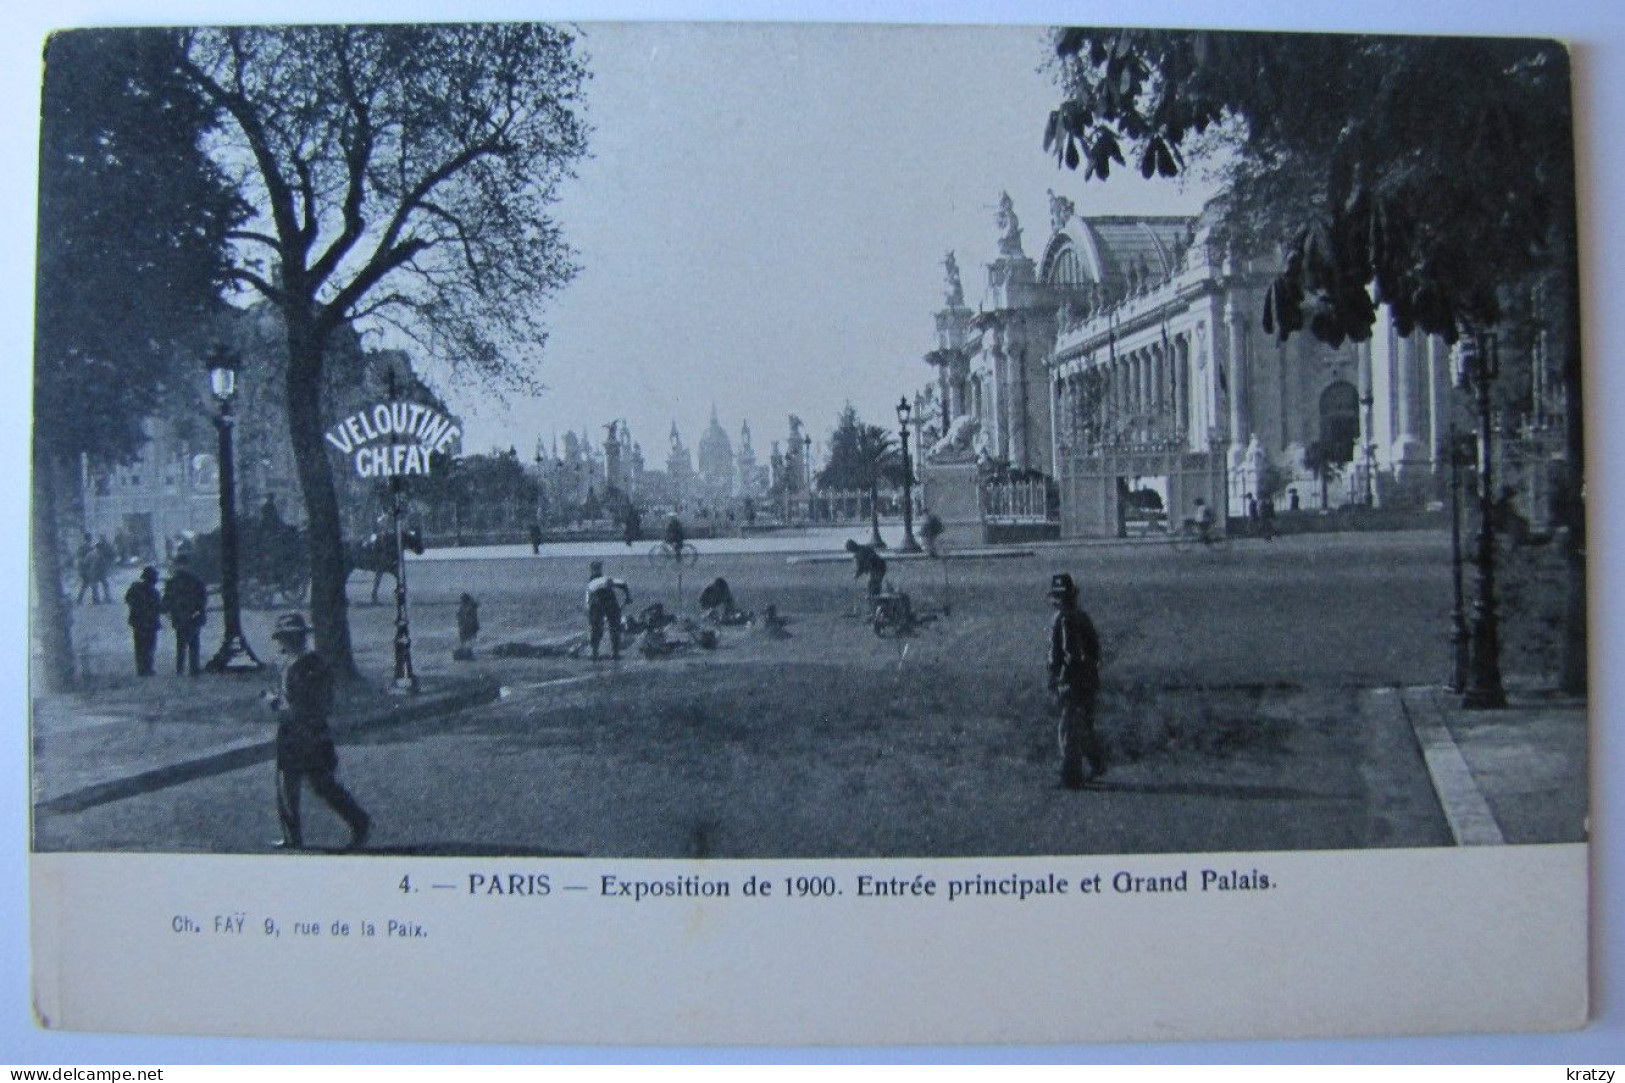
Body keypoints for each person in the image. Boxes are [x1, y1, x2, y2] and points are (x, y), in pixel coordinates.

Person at [266, 612, 370, 851]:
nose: (282, 643)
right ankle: (293, 836)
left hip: (303, 733)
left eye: (285, 638)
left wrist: (274, 702)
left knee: (315, 785)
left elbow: (299, 705)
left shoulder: (302, 667)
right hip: (305, 732)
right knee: (291, 785)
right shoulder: (305, 664)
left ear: (292, 639)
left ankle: (359, 822)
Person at [1047, 572, 1105, 789]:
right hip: (1087, 678)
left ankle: (1071, 774)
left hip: (1071, 680)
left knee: (1068, 728)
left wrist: (1059, 677)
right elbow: (1094, 649)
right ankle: (1096, 763)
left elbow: (1064, 654)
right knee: (1083, 725)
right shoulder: (1082, 616)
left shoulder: (1063, 620)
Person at [162, 554, 208, 676]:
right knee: (194, 642)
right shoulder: (196, 581)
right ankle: (194, 668)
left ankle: (180, 668)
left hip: (179, 616)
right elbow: (202, 599)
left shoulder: (173, 582)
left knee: (181, 643)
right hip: (194, 616)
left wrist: (167, 609)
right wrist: (198, 611)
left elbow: (167, 600)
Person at [584, 560, 632, 661]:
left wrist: (589, 610)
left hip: (599, 605)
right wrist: (628, 597)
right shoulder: (607, 579)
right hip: (611, 604)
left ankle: (595, 653)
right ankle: (615, 653)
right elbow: (623, 584)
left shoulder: (591, 584)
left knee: (596, 629)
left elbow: (588, 601)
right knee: (614, 629)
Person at [124, 566, 162, 676]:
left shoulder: (134, 589)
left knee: (139, 646)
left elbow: (128, 600)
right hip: (150, 623)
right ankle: (148, 668)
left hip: (138, 623)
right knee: (150, 646)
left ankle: (141, 669)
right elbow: (158, 607)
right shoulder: (154, 593)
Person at [455, 593, 480, 661]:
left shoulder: (470, 607)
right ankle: (466, 650)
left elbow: (472, 617)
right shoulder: (464, 607)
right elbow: (460, 617)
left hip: (469, 627)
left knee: (469, 639)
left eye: (462, 600)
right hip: (465, 627)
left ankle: (468, 651)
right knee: (466, 640)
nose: (461, 601)